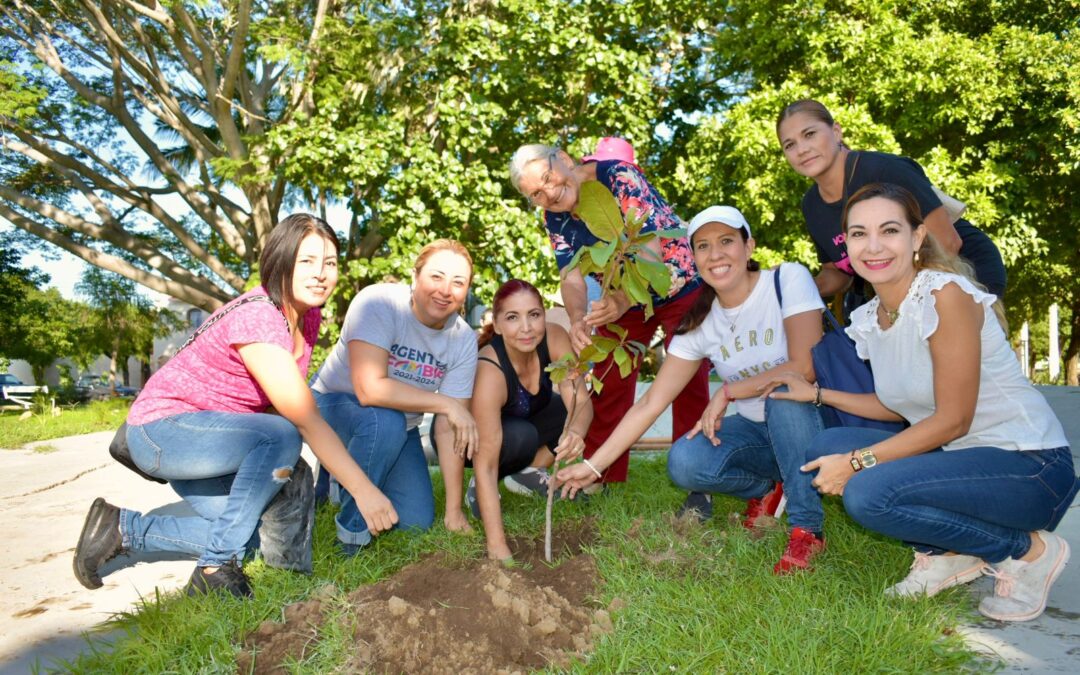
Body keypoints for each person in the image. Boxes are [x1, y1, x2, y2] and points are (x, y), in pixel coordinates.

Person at [768, 183, 1077, 620]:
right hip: (965, 464)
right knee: (824, 448)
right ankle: (952, 552)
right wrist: (816, 394)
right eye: (858, 234)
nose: (873, 246)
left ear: (916, 239)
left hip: (1031, 467)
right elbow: (899, 405)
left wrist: (858, 462)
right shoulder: (873, 317)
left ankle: (1027, 552)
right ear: (847, 248)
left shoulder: (942, 295)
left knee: (869, 494)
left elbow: (952, 420)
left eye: (889, 230)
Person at [73, 213, 399, 598]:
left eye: (329, 263)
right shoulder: (261, 316)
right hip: (165, 431)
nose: (321, 273)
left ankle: (125, 530)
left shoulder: (307, 317)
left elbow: (273, 402)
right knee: (281, 435)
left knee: (283, 493)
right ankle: (214, 567)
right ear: (281, 260)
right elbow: (303, 419)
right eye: (307, 261)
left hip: (213, 439)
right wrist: (362, 489)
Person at [558, 205, 836, 573]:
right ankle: (769, 488)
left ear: (748, 245)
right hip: (759, 434)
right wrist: (594, 466)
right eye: (703, 246)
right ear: (693, 258)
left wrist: (728, 391)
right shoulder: (701, 324)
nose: (715, 254)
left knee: (784, 395)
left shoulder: (787, 280)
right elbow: (651, 403)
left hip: (816, 421)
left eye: (726, 241)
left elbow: (805, 367)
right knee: (684, 461)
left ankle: (806, 529)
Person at [509, 142, 710, 485]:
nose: (550, 193)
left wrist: (618, 302)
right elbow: (571, 274)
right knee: (610, 377)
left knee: (688, 380)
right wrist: (576, 318)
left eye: (548, 177)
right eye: (536, 194)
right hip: (621, 296)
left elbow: (648, 248)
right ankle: (601, 478)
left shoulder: (618, 176)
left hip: (677, 285)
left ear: (565, 160)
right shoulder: (553, 217)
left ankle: (696, 477)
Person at [310, 239, 479, 549]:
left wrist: (453, 512)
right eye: (436, 276)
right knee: (383, 422)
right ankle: (352, 536)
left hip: (401, 426)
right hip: (333, 406)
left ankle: (341, 476)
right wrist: (445, 403)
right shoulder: (379, 303)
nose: (445, 290)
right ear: (415, 277)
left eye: (458, 282)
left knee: (414, 521)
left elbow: (446, 428)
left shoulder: (463, 339)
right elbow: (369, 388)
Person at [776, 99, 1007, 304]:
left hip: (965, 271)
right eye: (790, 144)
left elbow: (948, 243)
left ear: (836, 131)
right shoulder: (811, 206)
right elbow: (838, 273)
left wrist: (898, 306)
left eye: (809, 134)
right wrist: (795, 284)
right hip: (897, 294)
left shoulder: (884, 170)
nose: (802, 149)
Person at [444, 279, 593, 561]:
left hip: (525, 422)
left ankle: (527, 473)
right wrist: (498, 547)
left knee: (565, 409)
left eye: (534, 315)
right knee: (521, 435)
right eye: (513, 317)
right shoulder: (490, 370)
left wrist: (575, 431)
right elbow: (486, 462)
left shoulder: (555, 337)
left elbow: (581, 400)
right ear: (498, 325)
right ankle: (479, 488)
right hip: (478, 443)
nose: (526, 328)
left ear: (544, 316)